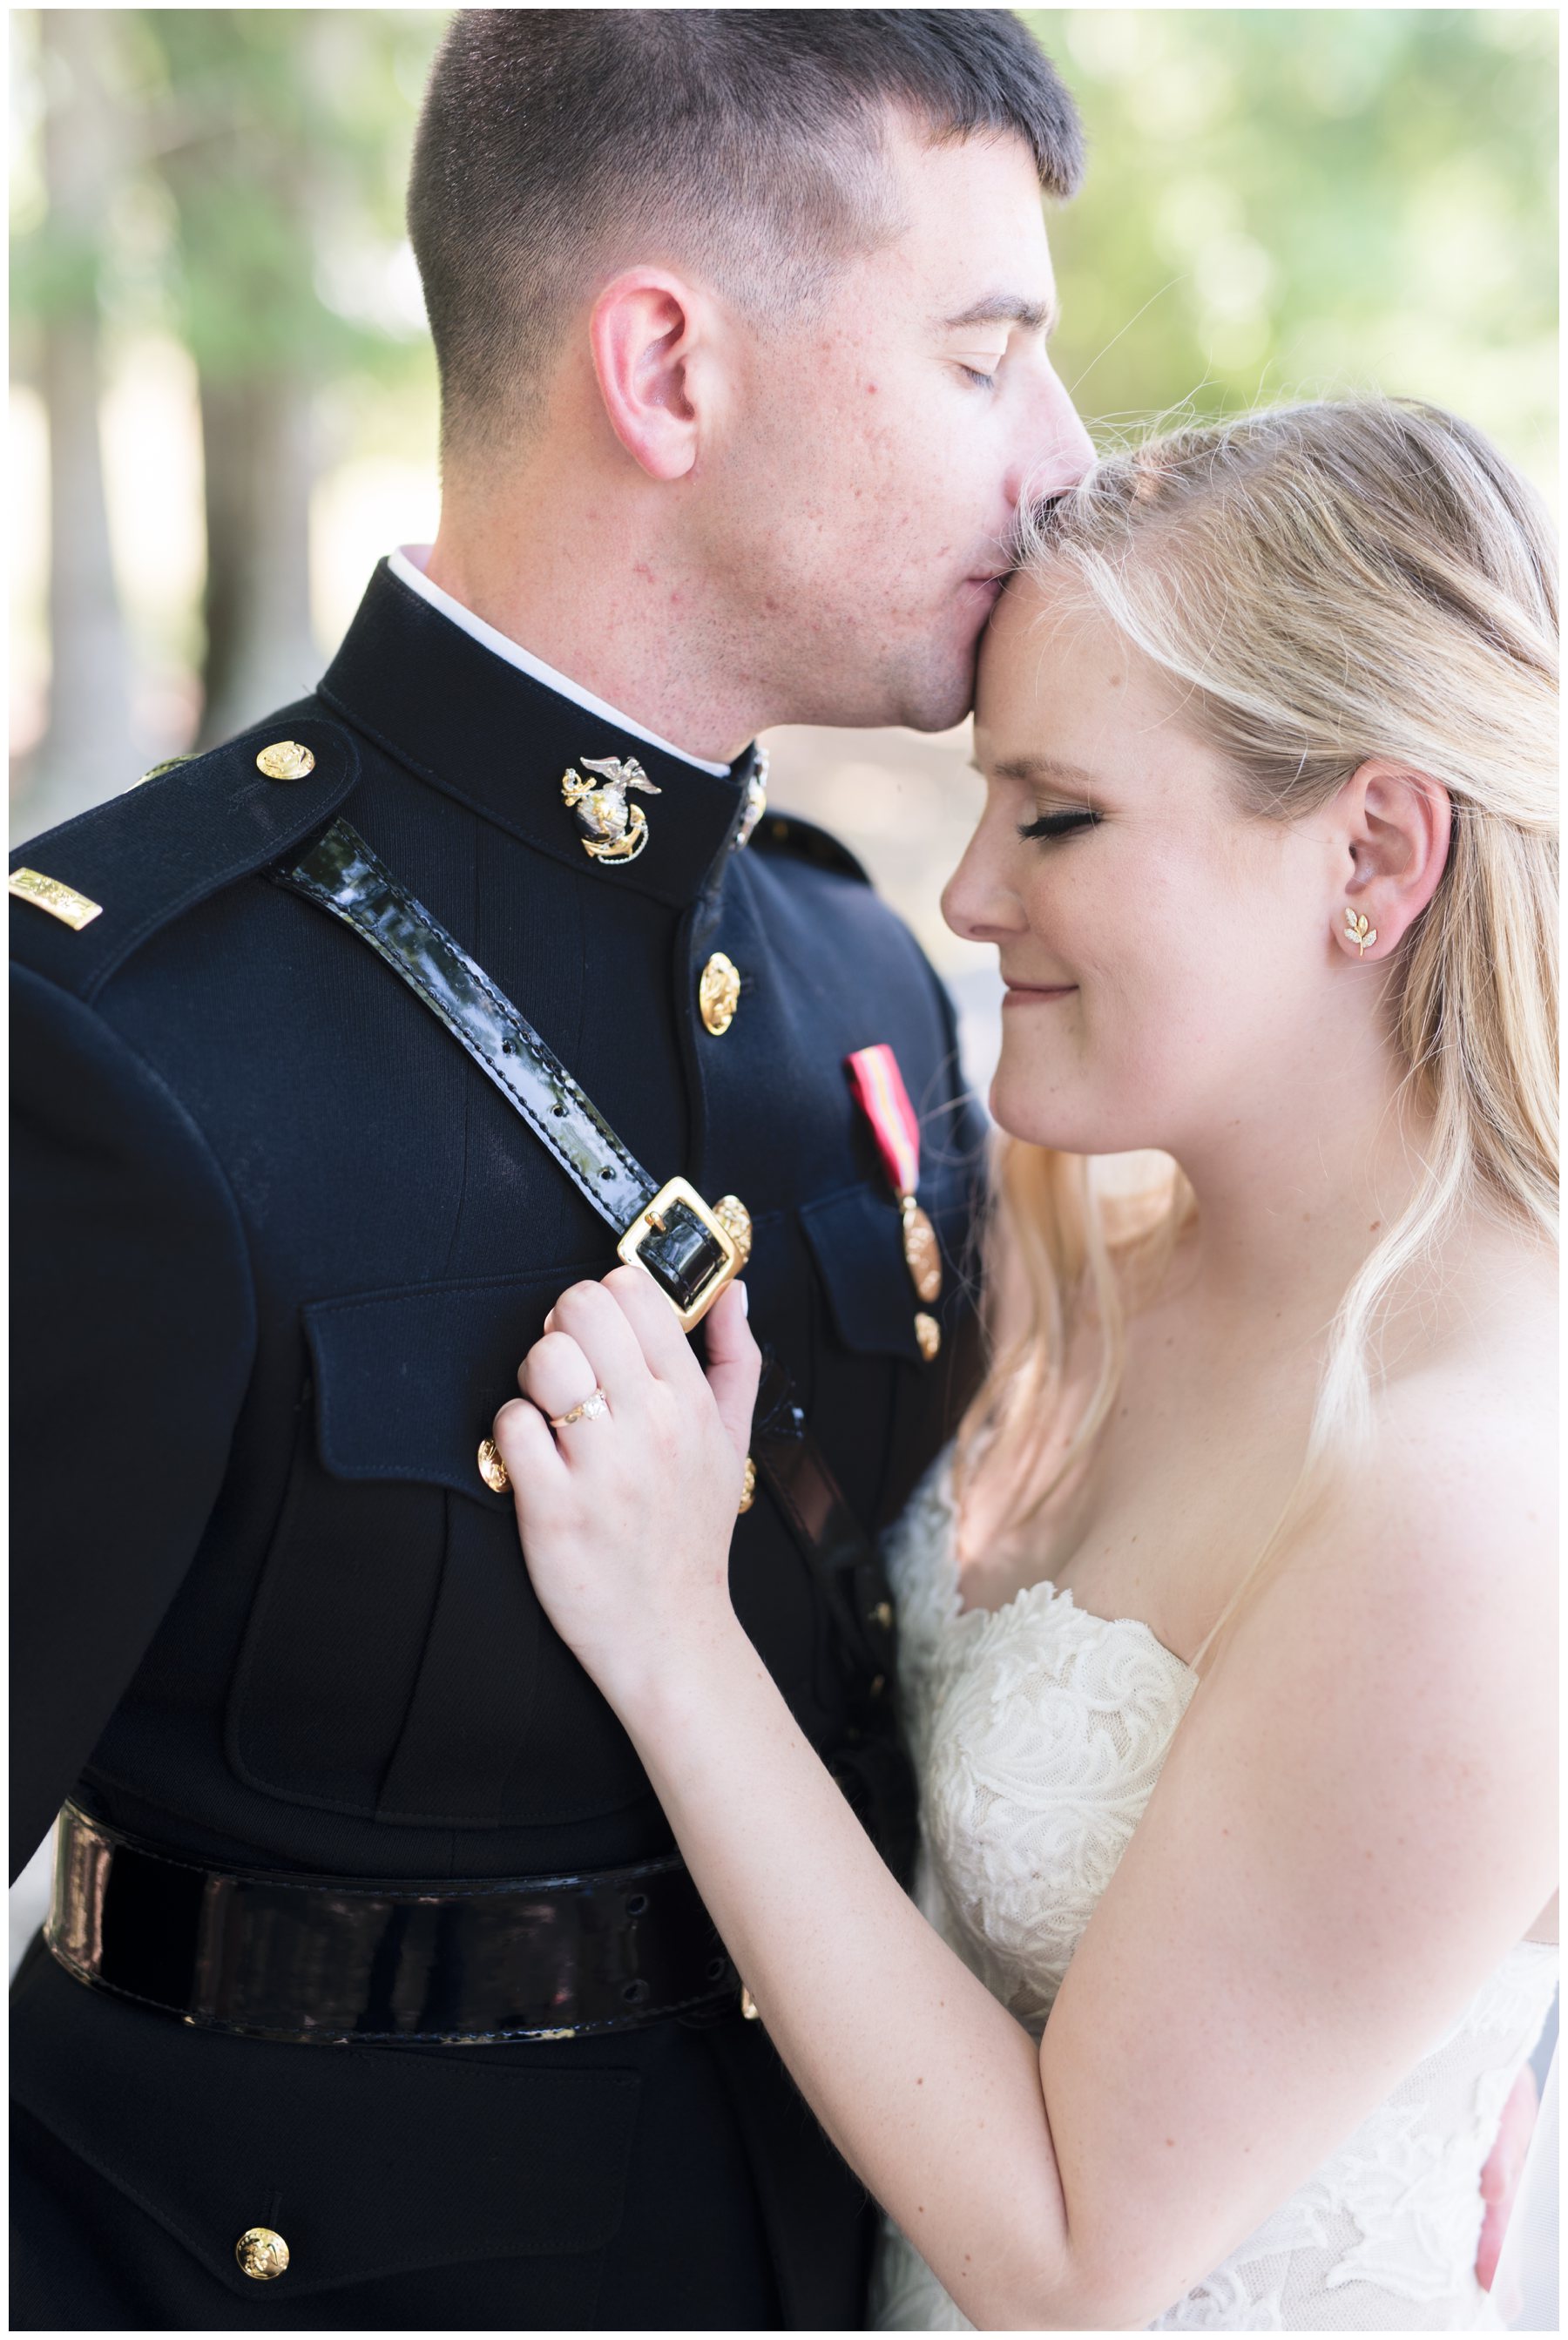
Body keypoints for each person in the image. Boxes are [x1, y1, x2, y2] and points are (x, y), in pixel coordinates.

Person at [9, 12, 1091, 2330]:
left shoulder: (864, 983)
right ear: (668, 369)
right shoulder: (113, 1041)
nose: (1067, 463)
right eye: (989, 357)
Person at [491, 397, 1558, 2330]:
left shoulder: (1469, 1486)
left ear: (1377, 850)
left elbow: (1075, 2255)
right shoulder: (1110, 1260)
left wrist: (668, 1629)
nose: (969, 895)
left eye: (1057, 812)